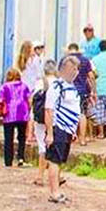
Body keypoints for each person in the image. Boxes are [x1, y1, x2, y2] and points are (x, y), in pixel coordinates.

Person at [44, 56, 81, 204]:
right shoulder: (56, 86)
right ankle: (54, 192)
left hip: (67, 129)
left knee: (60, 161)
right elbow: (49, 110)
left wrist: (73, 131)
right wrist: (50, 133)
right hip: (58, 127)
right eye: (74, 69)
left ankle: (56, 190)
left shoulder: (71, 86)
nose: (76, 72)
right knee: (55, 160)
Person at [32, 60, 63, 188]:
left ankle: (40, 176)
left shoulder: (40, 82)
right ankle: (58, 175)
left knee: (42, 147)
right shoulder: (60, 83)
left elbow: (33, 100)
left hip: (41, 118)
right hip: (56, 118)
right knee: (56, 147)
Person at [0, 68, 31, 168]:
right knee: (21, 137)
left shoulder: (5, 87)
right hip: (22, 113)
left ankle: (8, 161)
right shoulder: (24, 86)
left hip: (9, 114)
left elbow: (0, 100)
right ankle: (21, 158)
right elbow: (29, 100)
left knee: (8, 138)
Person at [67, 42, 94, 145]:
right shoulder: (85, 60)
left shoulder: (65, 61)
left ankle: (71, 138)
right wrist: (93, 91)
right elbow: (91, 76)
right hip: (82, 90)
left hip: (68, 91)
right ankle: (82, 139)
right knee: (82, 114)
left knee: (69, 114)